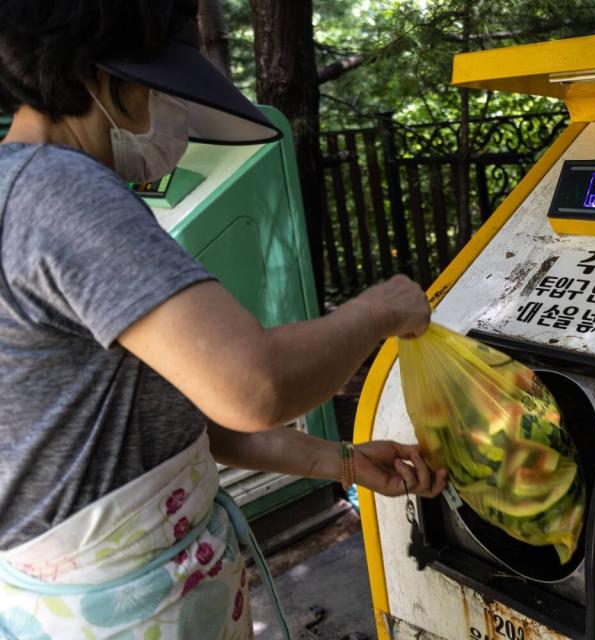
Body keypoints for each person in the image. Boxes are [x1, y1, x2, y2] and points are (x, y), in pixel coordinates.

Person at [0, 1, 446, 638]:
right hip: (125, 614)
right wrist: (379, 310)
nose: (172, 115)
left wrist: (344, 462)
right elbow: (253, 386)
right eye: (162, 90)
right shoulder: (62, 191)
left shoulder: (16, 189)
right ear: (106, 80)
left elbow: (184, 424)